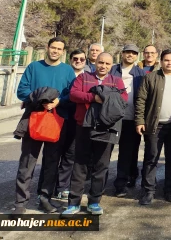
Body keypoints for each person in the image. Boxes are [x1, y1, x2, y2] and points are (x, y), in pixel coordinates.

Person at [12, 37, 75, 214]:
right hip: (34, 120)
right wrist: (41, 99)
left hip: (56, 121)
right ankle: (20, 203)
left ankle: (44, 198)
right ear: (47, 48)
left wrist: (57, 102)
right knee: (27, 162)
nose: (55, 51)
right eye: (53, 47)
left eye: (59, 49)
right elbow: (22, 90)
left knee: (51, 163)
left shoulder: (67, 70)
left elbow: (71, 94)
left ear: (63, 52)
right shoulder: (33, 67)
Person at [63, 53, 128, 216]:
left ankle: (94, 202)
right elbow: (74, 94)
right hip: (84, 126)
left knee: (101, 165)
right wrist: (94, 97)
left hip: (107, 128)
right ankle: (74, 202)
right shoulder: (84, 77)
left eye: (107, 63)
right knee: (80, 164)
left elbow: (123, 99)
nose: (103, 66)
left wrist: (105, 98)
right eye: (100, 62)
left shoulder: (116, 81)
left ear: (112, 65)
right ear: (95, 63)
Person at [135, 49, 171, 205]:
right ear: (161, 61)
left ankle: (169, 190)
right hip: (154, 125)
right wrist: (140, 121)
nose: (169, 63)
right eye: (166, 60)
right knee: (151, 158)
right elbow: (141, 100)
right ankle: (148, 191)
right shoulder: (150, 77)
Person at [110, 44, 147, 197]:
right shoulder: (112, 70)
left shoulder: (140, 74)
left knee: (127, 153)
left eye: (133, 53)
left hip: (132, 118)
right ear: (122, 53)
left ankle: (122, 183)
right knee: (107, 151)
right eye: (127, 52)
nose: (130, 55)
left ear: (137, 56)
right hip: (111, 118)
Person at [55, 49, 87, 200]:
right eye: (76, 58)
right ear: (70, 59)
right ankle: (48, 187)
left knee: (70, 154)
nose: (79, 61)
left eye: (82, 59)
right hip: (59, 116)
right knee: (54, 153)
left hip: (77, 120)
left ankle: (62, 186)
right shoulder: (63, 73)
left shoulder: (87, 77)